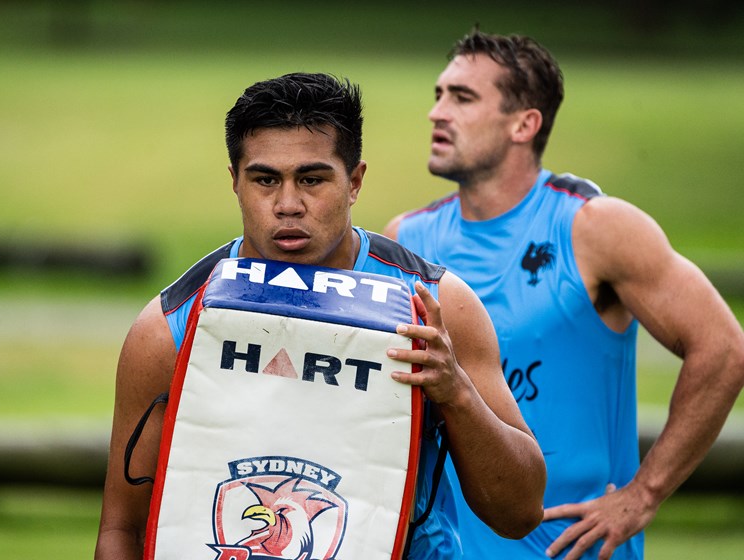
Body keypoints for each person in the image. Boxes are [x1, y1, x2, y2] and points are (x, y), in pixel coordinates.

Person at [94, 72, 546, 559]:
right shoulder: (172, 327)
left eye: (312, 179)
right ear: (234, 182)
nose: (288, 205)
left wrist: (455, 391)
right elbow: (121, 530)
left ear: (354, 182)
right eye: (265, 180)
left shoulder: (435, 306)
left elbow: (518, 513)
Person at [385, 29, 744, 560]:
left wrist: (643, 495)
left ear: (524, 124)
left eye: (462, 98)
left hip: (569, 550)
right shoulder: (405, 241)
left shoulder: (594, 227)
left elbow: (724, 350)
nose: (438, 113)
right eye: (439, 95)